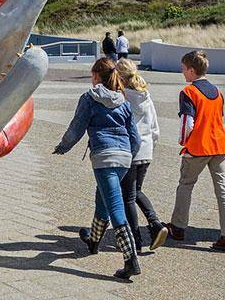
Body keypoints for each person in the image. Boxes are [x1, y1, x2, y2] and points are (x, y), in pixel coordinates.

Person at [53, 57, 141, 280]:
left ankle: (130, 260)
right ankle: (93, 240)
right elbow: (135, 138)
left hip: (104, 157)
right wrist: (127, 154)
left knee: (115, 207)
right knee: (102, 199)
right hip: (123, 158)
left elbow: (76, 128)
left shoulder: (89, 98)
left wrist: (62, 147)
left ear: (95, 76)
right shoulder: (123, 101)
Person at [166, 51, 225, 251]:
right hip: (219, 145)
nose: (183, 73)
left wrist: (184, 142)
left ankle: (178, 227)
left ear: (192, 70)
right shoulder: (217, 92)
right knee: (222, 190)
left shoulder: (189, 92)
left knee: (186, 185)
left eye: (184, 69)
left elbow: (187, 122)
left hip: (198, 146)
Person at [116, 58, 167, 252]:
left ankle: (135, 239)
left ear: (119, 76)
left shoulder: (122, 96)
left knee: (128, 196)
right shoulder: (145, 96)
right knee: (136, 191)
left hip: (130, 151)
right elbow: (155, 128)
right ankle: (155, 224)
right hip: (146, 151)